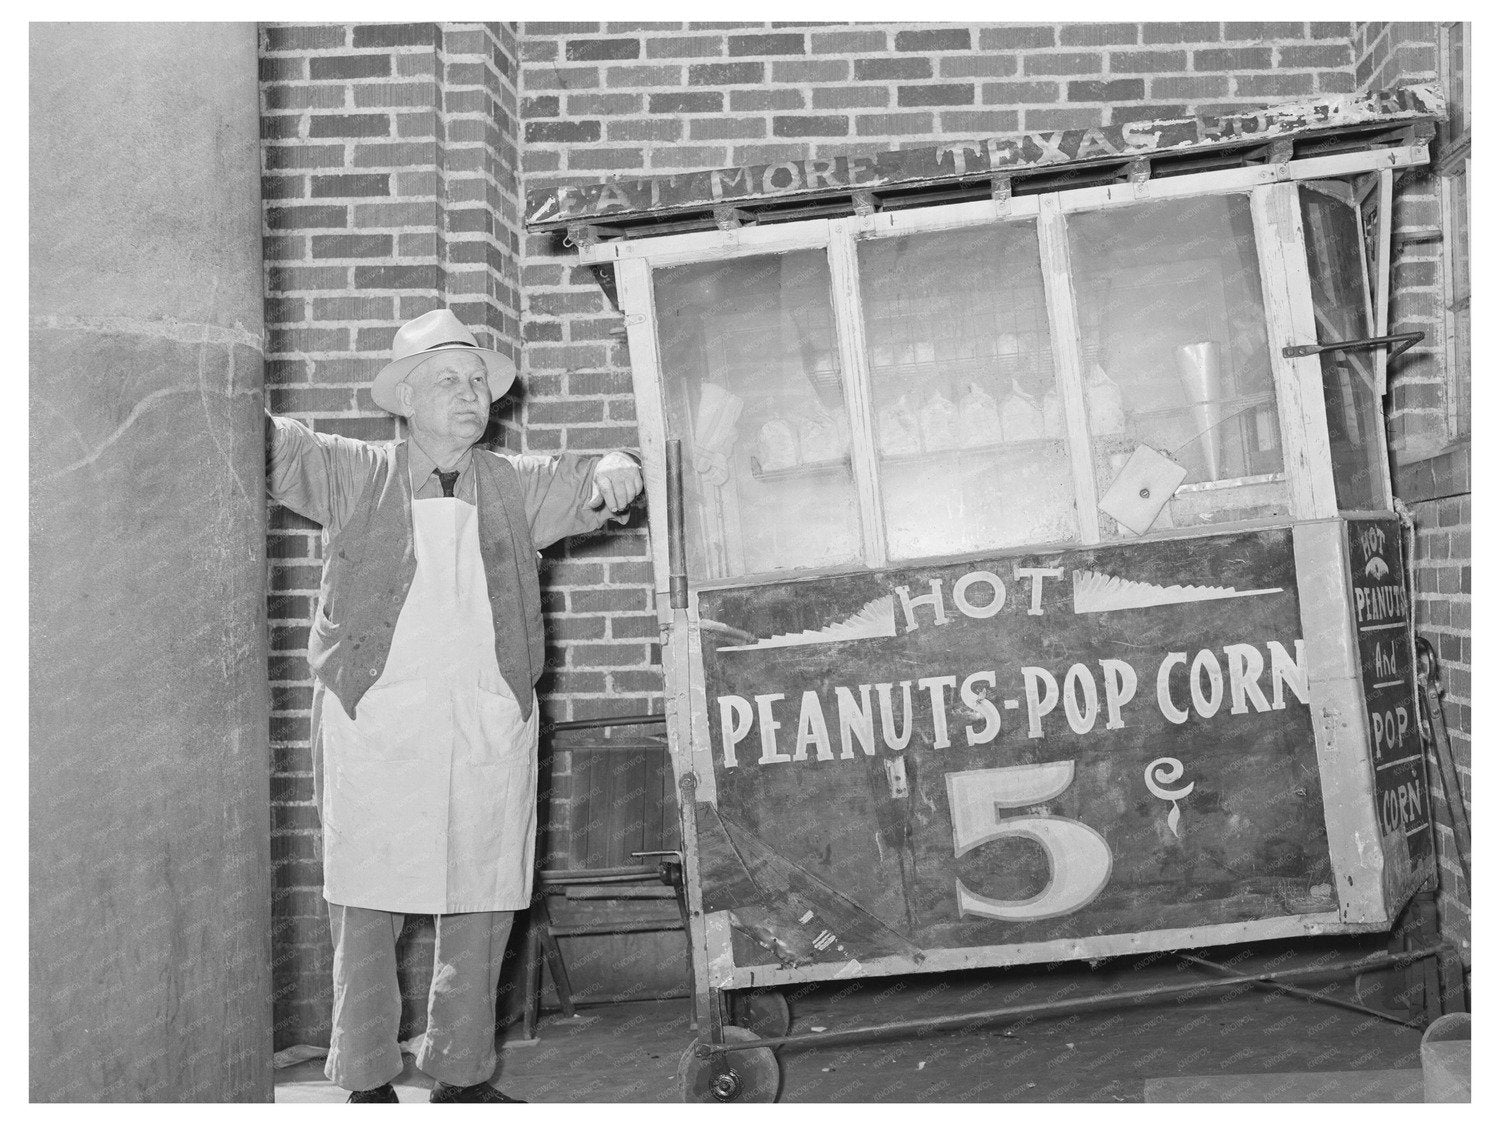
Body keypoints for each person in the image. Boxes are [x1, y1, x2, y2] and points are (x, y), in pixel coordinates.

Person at [265, 309, 644, 1102]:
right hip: (378, 726)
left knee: (481, 901)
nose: (472, 394)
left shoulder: (516, 483)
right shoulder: (353, 469)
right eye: (450, 380)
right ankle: (366, 1075)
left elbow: (599, 477)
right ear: (404, 397)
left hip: (482, 723)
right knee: (366, 902)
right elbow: (270, 445)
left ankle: (461, 1073)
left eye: (479, 382)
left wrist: (619, 463)